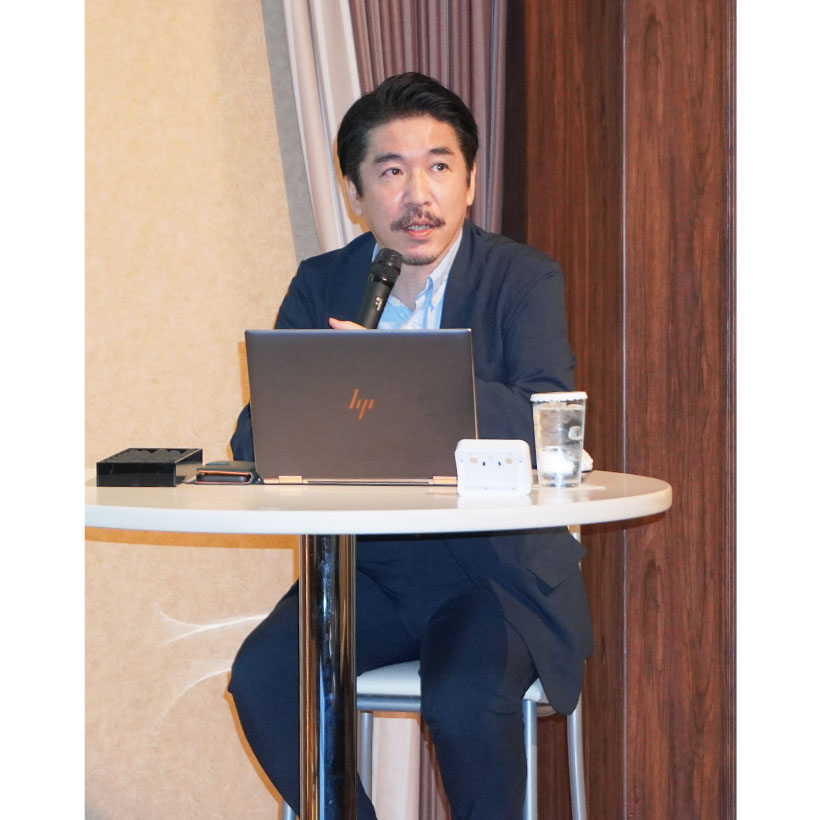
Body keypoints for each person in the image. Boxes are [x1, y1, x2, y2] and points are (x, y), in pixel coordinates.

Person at [227, 72, 593, 820]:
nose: (417, 195)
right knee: (265, 679)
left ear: (470, 182)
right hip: (366, 570)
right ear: (356, 193)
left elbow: (543, 419)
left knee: (462, 698)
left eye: (439, 166)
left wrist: (406, 382)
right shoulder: (323, 284)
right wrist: (330, 386)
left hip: (493, 571)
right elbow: (256, 440)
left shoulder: (521, 278)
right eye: (391, 171)